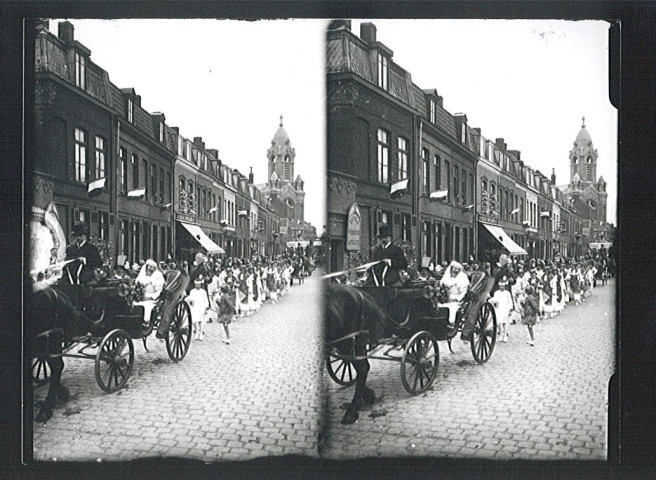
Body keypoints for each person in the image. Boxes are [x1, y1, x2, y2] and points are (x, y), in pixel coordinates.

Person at [133, 259, 166, 326]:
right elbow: (137, 286)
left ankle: (145, 322)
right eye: (150, 267)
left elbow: (159, 291)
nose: (151, 269)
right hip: (141, 296)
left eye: (154, 268)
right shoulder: (142, 275)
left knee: (146, 306)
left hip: (151, 298)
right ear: (147, 267)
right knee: (133, 304)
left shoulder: (157, 277)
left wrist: (150, 297)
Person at [438, 261, 470, 325]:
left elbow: (463, 292)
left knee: (451, 307)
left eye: (458, 269)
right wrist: (443, 296)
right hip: (446, 298)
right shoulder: (447, 277)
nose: (456, 270)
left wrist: (456, 299)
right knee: (438, 306)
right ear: (451, 268)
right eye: (455, 268)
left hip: (456, 299)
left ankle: (451, 323)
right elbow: (442, 287)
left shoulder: (462, 278)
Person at [187, 275, 210, 341]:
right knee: (194, 320)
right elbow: (190, 298)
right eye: (196, 285)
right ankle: (196, 331)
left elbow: (206, 300)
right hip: (194, 307)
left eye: (199, 285)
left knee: (200, 321)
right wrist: (190, 301)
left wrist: (206, 308)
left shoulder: (203, 292)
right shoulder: (192, 291)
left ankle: (201, 333)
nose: (198, 286)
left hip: (201, 307)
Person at [490, 277, 513, 342]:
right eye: (501, 286)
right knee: (499, 323)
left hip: (505, 309)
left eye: (503, 286)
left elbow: (510, 301)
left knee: (504, 323)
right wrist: (493, 302)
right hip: (498, 309)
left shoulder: (507, 293)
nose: (502, 287)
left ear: (505, 286)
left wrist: (510, 310)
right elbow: (494, 299)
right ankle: (500, 334)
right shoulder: (496, 293)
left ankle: (505, 335)